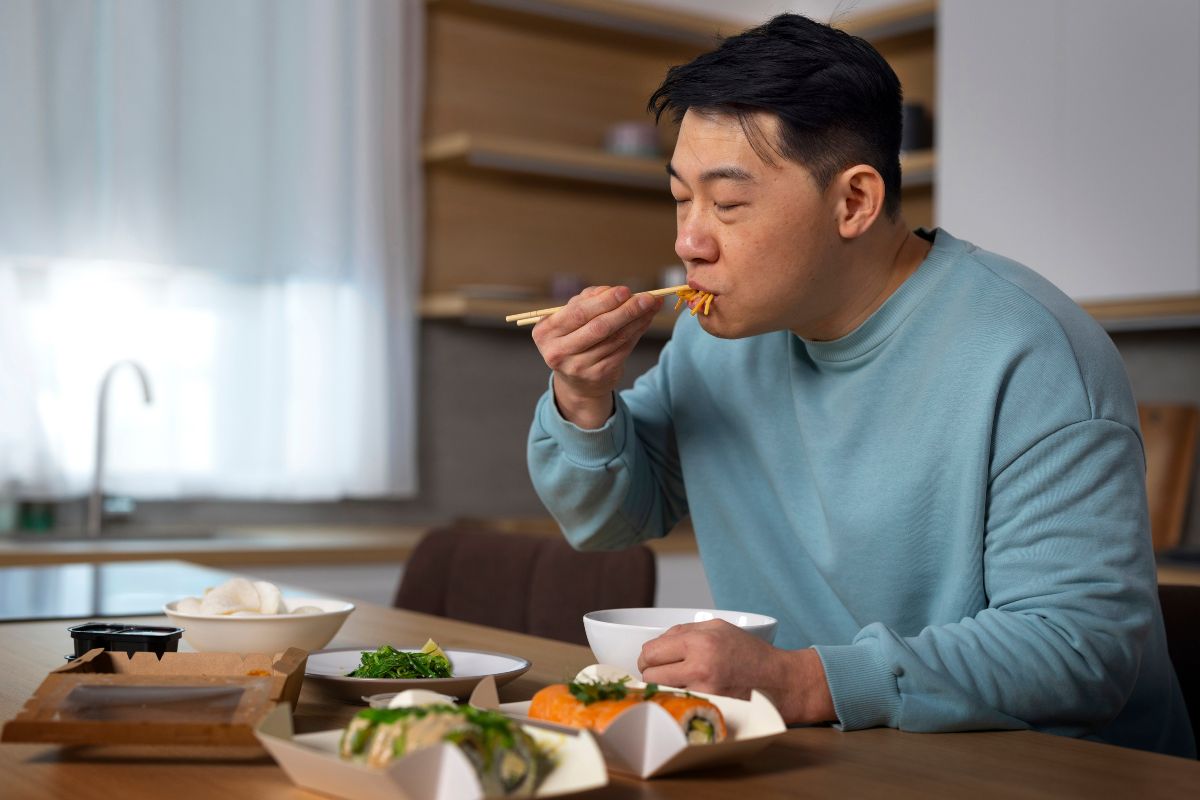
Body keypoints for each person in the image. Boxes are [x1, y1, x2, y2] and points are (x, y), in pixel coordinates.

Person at [523, 14, 1194, 757]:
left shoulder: (1031, 354)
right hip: (837, 758)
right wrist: (583, 397)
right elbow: (613, 519)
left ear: (853, 202)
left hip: (1061, 772)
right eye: (682, 197)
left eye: (728, 204)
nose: (689, 240)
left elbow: (1079, 652)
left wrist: (806, 682)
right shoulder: (712, 344)